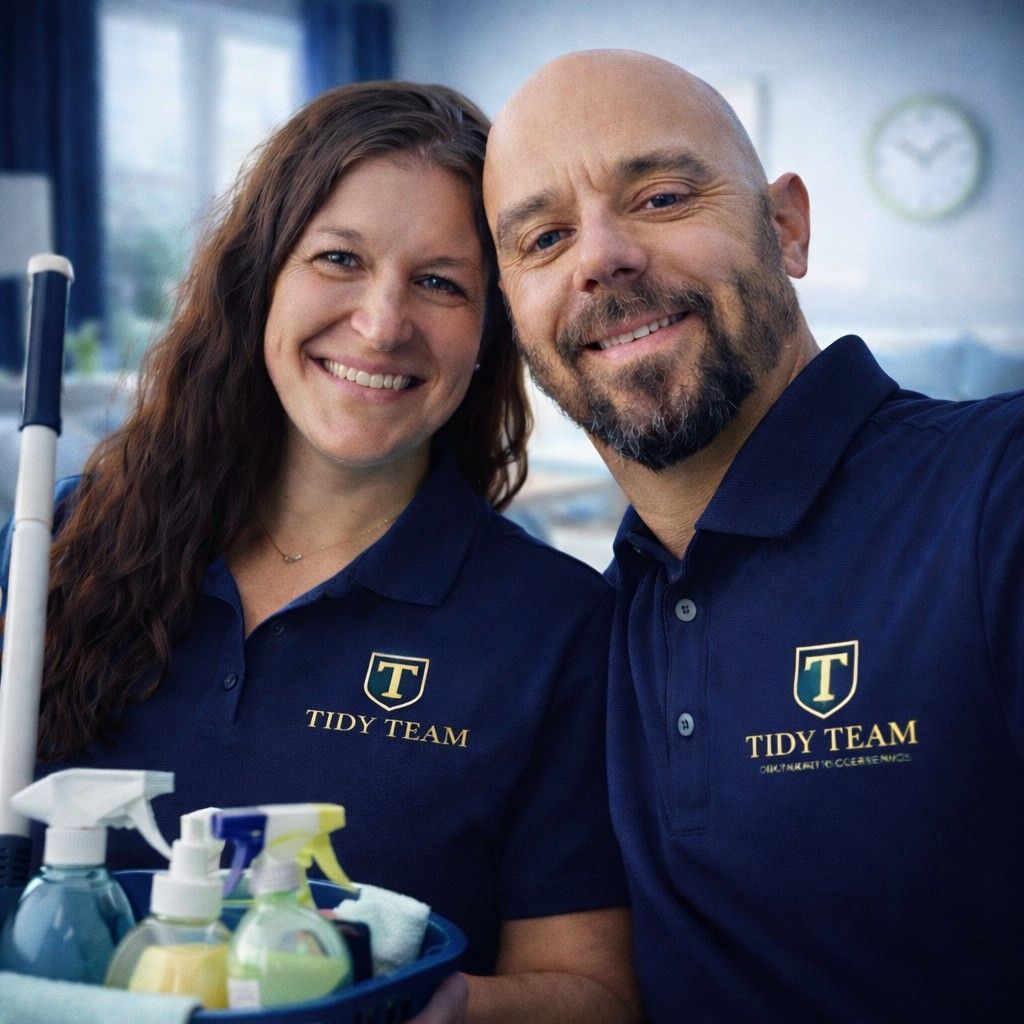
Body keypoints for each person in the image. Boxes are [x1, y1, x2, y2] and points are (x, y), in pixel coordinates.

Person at [0, 81, 642, 1023]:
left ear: (489, 332)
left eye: (441, 282)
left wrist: (434, 1005)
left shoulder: (553, 629)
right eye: (338, 258)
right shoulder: (71, 542)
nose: (382, 323)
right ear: (261, 279)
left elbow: (594, 996)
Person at [483, 48, 1024, 1023]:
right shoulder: (595, 624)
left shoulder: (996, 495)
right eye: (545, 236)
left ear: (786, 227)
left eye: (658, 196)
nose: (600, 256)